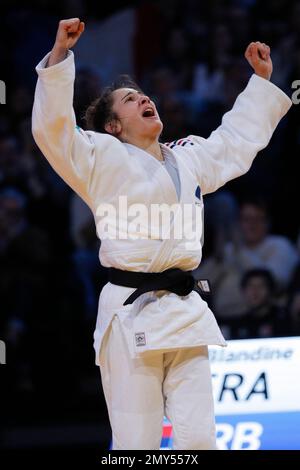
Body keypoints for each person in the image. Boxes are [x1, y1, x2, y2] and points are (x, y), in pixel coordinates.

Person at [32, 18, 292, 450]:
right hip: (129, 314)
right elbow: (54, 132)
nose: (144, 99)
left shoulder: (185, 157)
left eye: (144, 95)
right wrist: (59, 57)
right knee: (138, 446)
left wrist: (261, 83)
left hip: (185, 312)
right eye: (131, 101)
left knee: (200, 442)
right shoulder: (99, 158)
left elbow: (233, 144)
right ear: (113, 126)